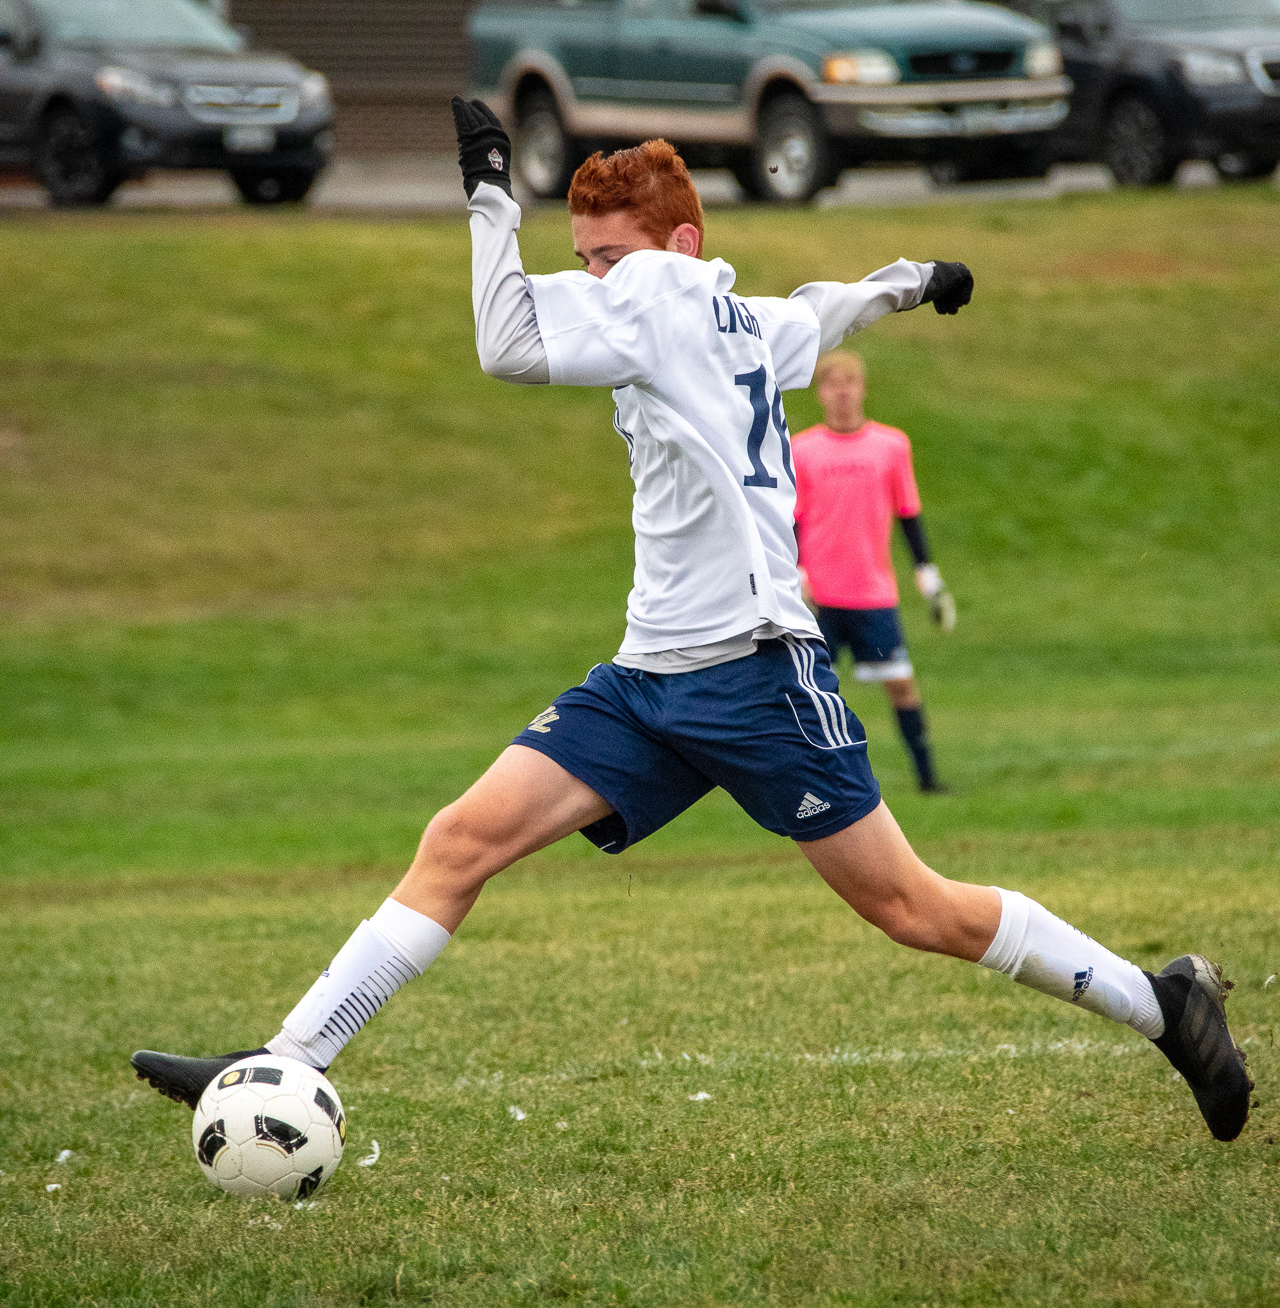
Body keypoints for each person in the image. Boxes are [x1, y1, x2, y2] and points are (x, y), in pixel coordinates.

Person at [130, 102, 1251, 1144]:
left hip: (758, 677)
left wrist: (489, 197)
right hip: (646, 680)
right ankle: (285, 1060)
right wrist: (916, 281)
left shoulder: (656, 299)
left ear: (677, 245)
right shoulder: (737, 316)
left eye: (608, 258)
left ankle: (1160, 1005)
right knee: (460, 840)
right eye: (583, 261)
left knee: (914, 908)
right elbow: (820, 308)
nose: (596, 281)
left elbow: (505, 345)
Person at [792, 349, 953, 794]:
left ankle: (928, 780)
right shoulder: (801, 450)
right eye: (832, 384)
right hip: (819, 598)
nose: (842, 392)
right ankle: (810, 788)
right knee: (809, 695)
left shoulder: (891, 445)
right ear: (821, 393)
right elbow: (792, 519)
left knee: (901, 684)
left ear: (862, 388)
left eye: (850, 383)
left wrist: (926, 571)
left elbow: (908, 512)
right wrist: (795, 570)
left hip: (873, 593)